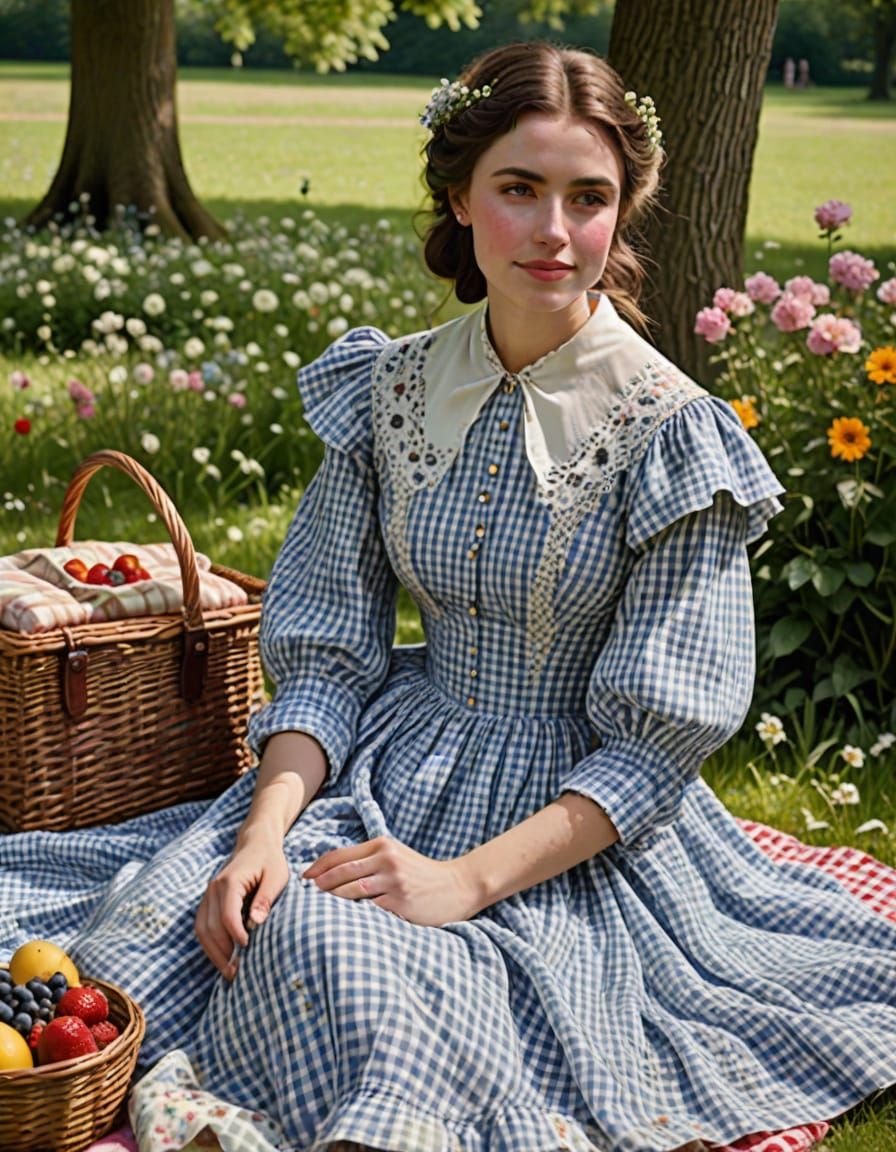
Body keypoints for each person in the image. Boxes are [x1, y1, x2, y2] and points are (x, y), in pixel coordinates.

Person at [3, 39, 896, 1152]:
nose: (552, 232)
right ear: (459, 198)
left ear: (622, 212)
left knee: (337, 962)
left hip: (574, 829)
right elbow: (329, 658)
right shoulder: (389, 388)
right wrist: (262, 830)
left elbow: (654, 747)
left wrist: (465, 884)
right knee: (160, 936)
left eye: (588, 197)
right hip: (386, 765)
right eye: (518, 189)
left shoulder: (670, 438)